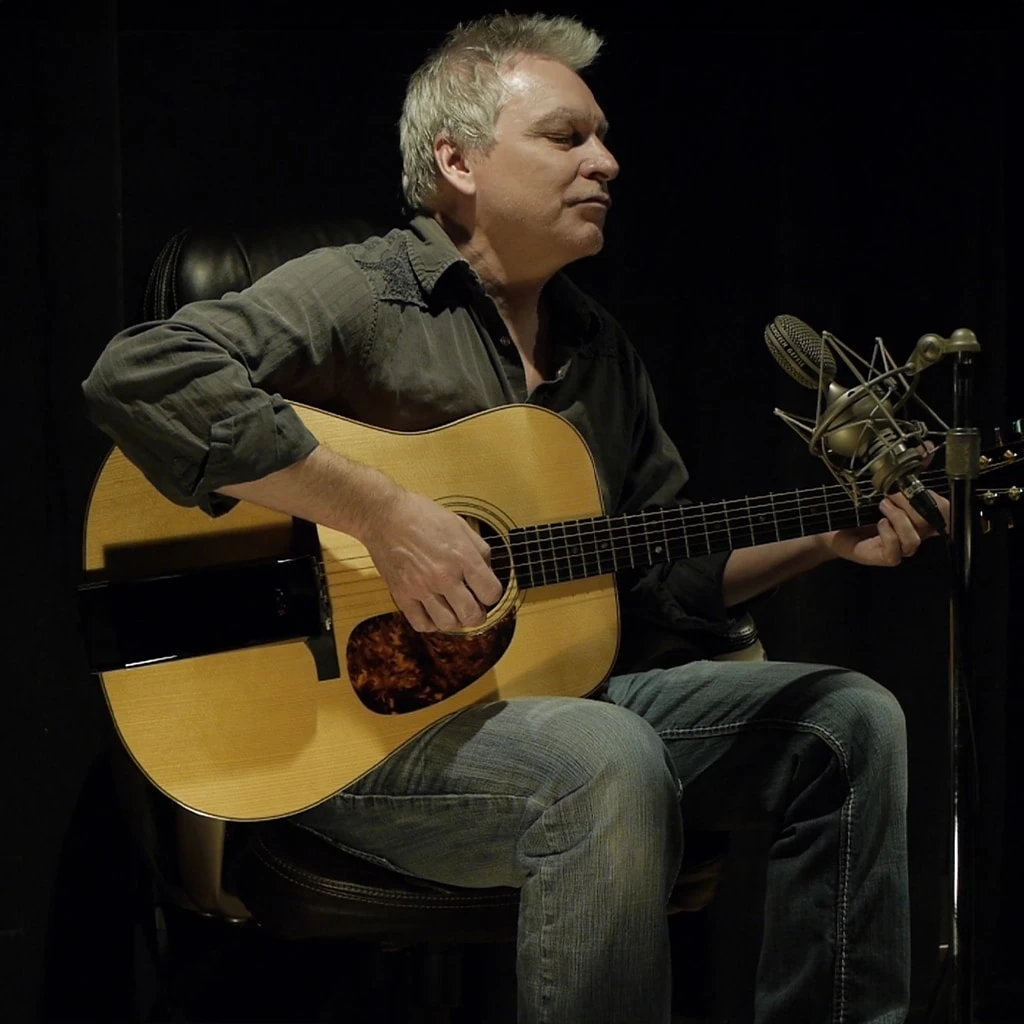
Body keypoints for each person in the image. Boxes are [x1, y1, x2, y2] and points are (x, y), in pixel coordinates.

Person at [82, 13, 945, 1023]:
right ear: (456, 159)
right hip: (347, 733)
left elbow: (658, 572)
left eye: (605, 138)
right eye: (567, 136)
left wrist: (822, 536)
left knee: (849, 721)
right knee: (602, 756)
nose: (607, 162)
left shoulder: (598, 346)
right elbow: (142, 374)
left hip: (550, 697)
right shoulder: (366, 291)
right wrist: (383, 510)